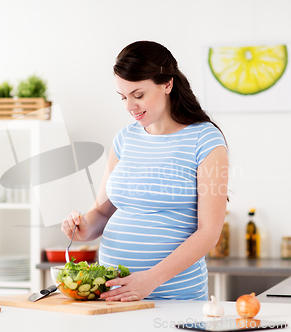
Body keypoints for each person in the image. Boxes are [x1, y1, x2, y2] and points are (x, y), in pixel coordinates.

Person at [61, 41, 228, 301]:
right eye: (123, 97)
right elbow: (102, 212)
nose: (130, 106)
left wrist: (150, 279)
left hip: (174, 298)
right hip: (113, 295)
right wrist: (83, 228)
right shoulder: (125, 139)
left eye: (138, 95)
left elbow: (209, 232)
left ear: (167, 84)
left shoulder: (204, 140)